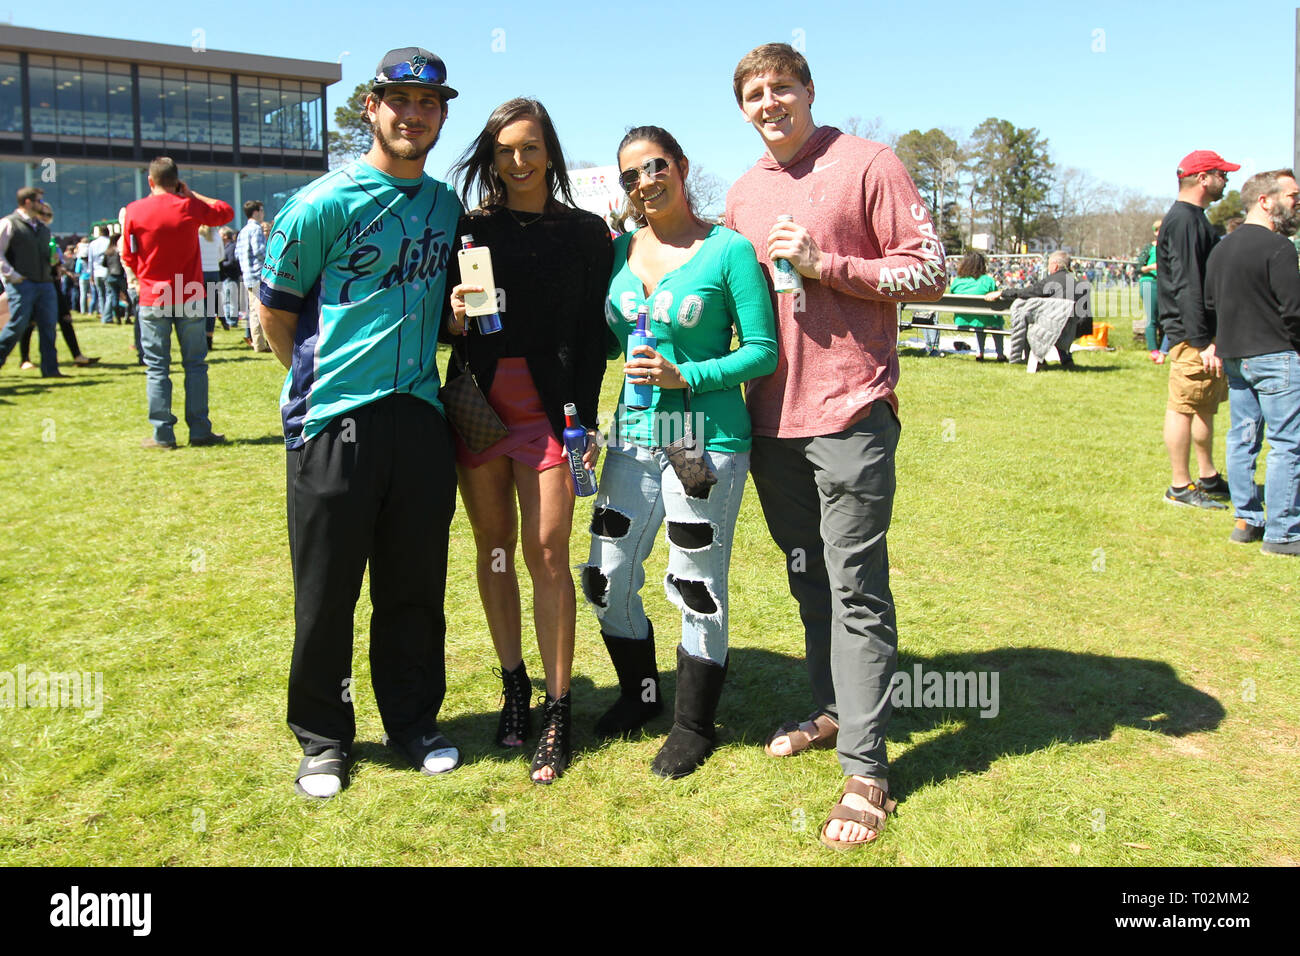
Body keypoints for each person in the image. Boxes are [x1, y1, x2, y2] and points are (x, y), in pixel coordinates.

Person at [724, 43, 943, 848]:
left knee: (855, 586)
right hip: (769, 419)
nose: (770, 101)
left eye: (782, 87)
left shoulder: (868, 164)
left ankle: (868, 769)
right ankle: (832, 708)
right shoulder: (743, 192)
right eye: (754, 93)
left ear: (809, 91)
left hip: (851, 409)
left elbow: (929, 272)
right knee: (807, 577)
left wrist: (831, 264)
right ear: (743, 107)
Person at [258, 46, 464, 799]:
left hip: (419, 417)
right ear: (371, 107)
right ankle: (322, 738)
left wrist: (456, 325)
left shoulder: (446, 206)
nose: (413, 115)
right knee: (327, 592)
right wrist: (321, 386)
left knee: (413, 588)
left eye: (429, 103)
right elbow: (275, 315)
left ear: (441, 115)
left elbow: (443, 310)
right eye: (399, 100)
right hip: (333, 423)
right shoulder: (321, 202)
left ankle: (413, 722)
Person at [583, 125, 776, 779]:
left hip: (705, 441)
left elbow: (762, 350)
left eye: (655, 166)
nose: (644, 181)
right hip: (633, 440)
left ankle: (693, 727)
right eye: (631, 174)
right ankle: (640, 698)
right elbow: (605, 345)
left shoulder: (729, 251)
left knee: (694, 585)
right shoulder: (615, 253)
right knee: (606, 578)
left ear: (682, 166)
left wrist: (685, 377)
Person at [444, 98, 613, 783]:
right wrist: (452, 319)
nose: (519, 160)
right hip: (480, 407)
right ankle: (514, 688)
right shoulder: (470, 228)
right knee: (494, 551)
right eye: (505, 149)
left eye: (531, 147)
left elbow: (594, 339)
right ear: (491, 157)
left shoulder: (586, 232)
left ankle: (559, 706)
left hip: (553, 413)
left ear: (551, 153)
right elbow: (440, 325)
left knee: (548, 552)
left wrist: (589, 418)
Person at [1204, 168, 1300, 555]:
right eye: (1292, 196)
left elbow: (1210, 306)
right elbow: (1294, 310)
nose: (1296, 203)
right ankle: (1282, 532)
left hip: (1236, 359)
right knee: (1286, 445)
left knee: (1242, 438)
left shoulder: (1221, 248)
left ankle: (1246, 521)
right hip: (1276, 356)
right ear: (1266, 200)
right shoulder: (1279, 248)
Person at [120, 156, 233, 449]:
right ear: (177, 181)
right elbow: (225, 212)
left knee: (157, 367)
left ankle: (163, 435)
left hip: (153, 294)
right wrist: (192, 194)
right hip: (189, 293)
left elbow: (128, 255)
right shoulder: (188, 206)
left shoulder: (134, 210)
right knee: (195, 364)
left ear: (150, 181)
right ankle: (199, 430)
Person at [1159, 150, 1238, 509]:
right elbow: (1188, 284)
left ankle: (1207, 477)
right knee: (1184, 407)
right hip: (1193, 335)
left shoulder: (1193, 218)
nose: (1227, 180)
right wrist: (1202, 339)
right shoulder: (1185, 221)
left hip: (1200, 333)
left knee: (1204, 405)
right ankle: (1180, 485)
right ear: (1203, 177)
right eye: (1223, 174)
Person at [987, 250, 1091, 368]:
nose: (1048, 267)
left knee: (1033, 322)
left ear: (1055, 265)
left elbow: (1026, 292)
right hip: (1077, 327)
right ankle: (1066, 359)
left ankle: (1038, 361)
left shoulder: (1052, 281)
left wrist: (1003, 292)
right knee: (1058, 322)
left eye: (1049, 264)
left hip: (1055, 327)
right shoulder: (1080, 282)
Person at [0, 187, 61, 378]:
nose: (42, 205)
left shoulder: (42, 227)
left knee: (48, 325)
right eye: (38, 201)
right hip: (22, 284)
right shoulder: (9, 224)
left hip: (45, 282)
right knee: (17, 325)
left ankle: (50, 370)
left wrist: (53, 262)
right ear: (27, 202)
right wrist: (12, 275)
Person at [948, 251, 1004, 361]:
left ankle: (980, 353)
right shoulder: (988, 281)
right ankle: (1000, 354)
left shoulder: (957, 282)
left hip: (962, 319)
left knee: (981, 319)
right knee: (994, 320)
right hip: (982, 318)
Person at [236, 200, 268, 351]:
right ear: (255, 212)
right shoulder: (256, 229)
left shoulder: (243, 231)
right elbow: (259, 251)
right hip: (258, 274)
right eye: (261, 211)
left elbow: (237, 254)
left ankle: (258, 342)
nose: (263, 214)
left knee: (253, 310)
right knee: (260, 310)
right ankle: (260, 344)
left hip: (247, 274)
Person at [1138, 219, 1163, 361]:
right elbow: (1138, 267)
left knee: (1164, 318)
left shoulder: (1171, 247)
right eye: (1157, 229)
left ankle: (1165, 347)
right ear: (1154, 232)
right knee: (1152, 318)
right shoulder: (1149, 248)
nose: (1160, 232)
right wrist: (1151, 267)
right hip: (1149, 283)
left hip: (1165, 284)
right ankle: (1153, 349)